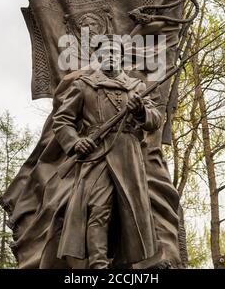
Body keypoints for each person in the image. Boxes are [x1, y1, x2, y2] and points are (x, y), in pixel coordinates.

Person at [52, 36, 162, 269]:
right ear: (97, 58)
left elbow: (155, 120)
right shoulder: (84, 85)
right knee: (98, 208)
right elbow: (62, 120)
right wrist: (75, 142)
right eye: (105, 52)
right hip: (97, 154)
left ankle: (128, 264)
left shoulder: (137, 87)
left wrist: (141, 110)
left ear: (121, 57)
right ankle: (98, 267)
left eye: (115, 52)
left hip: (128, 155)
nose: (110, 55)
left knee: (131, 212)